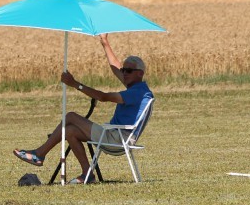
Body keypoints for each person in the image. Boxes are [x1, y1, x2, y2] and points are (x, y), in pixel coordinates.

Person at [13, 34, 154, 183]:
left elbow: (103, 97)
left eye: (128, 71)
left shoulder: (137, 93)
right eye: (124, 70)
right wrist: (105, 43)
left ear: (140, 73)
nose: (124, 73)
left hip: (118, 139)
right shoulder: (138, 87)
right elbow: (115, 67)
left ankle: (39, 154)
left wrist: (75, 84)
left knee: (71, 116)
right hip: (116, 135)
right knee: (69, 131)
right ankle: (88, 174)